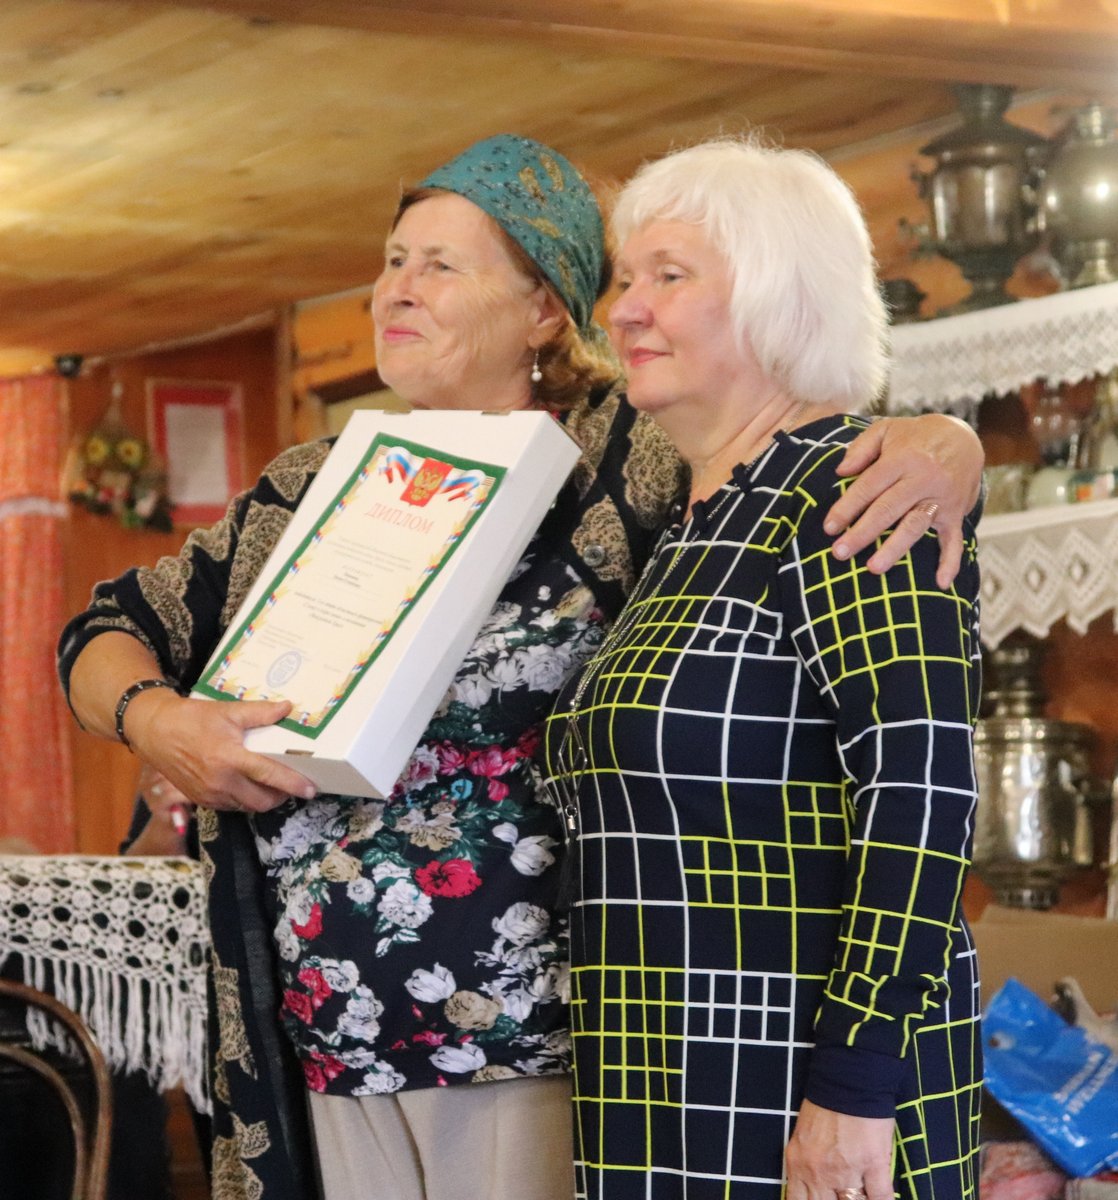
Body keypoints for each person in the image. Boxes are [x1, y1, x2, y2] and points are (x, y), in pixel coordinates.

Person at [58, 133, 983, 1200]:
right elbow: (106, 626)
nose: (397, 289)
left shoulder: (630, 452)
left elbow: (914, 772)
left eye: (439, 265)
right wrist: (157, 718)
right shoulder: (311, 488)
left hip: (549, 1038)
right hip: (346, 1028)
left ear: (544, 307)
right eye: (392, 261)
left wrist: (947, 441)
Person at [543, 135, 983, 1200]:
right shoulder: (696, 520)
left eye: (668, 276)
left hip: (800, 1100)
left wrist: (856, 1083)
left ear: (781, 302)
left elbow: (919, 796)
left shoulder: (851, 491)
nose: (623, 310)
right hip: (669, 1084)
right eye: (624, 279)